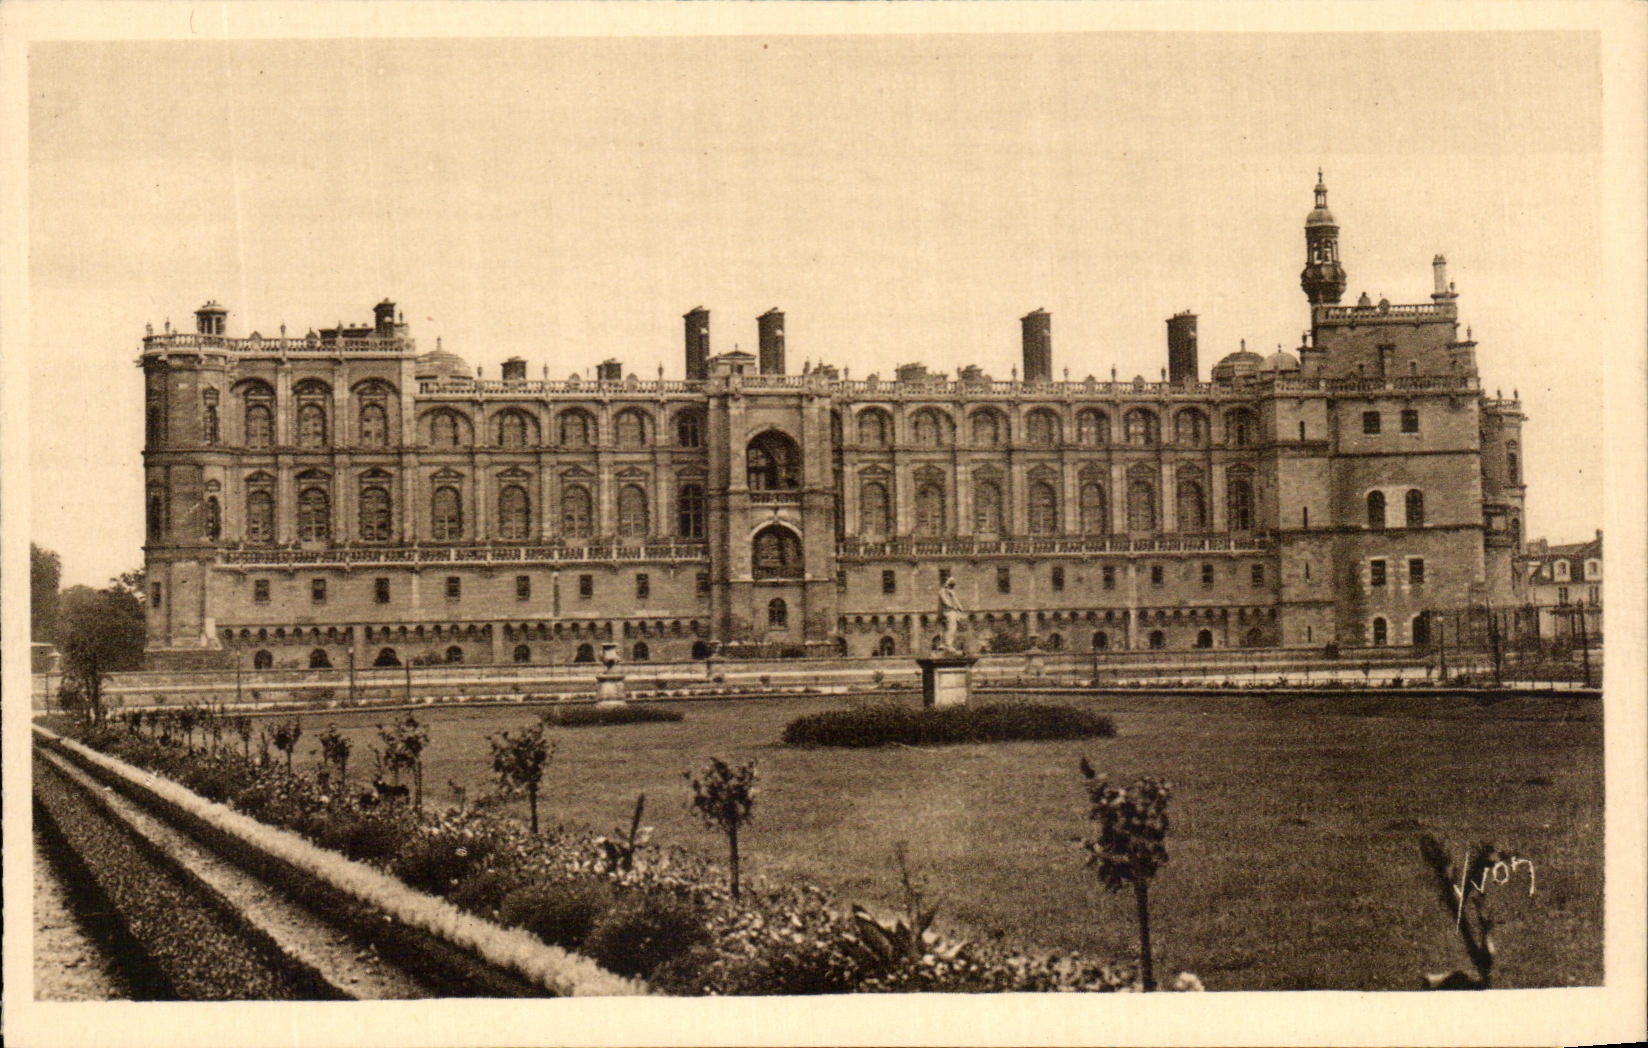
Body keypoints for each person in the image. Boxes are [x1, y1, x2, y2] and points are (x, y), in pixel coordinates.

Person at [939, 577, 965, 654]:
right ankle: (947, 644)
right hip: (948, 612)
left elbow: (955, 600)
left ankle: (946, 644)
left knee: (951, 628)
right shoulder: (943, 591)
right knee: (950, 628)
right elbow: (945, 601)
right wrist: (953, 606)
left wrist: (960, 607)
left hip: (951, 611)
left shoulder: (950, 592)